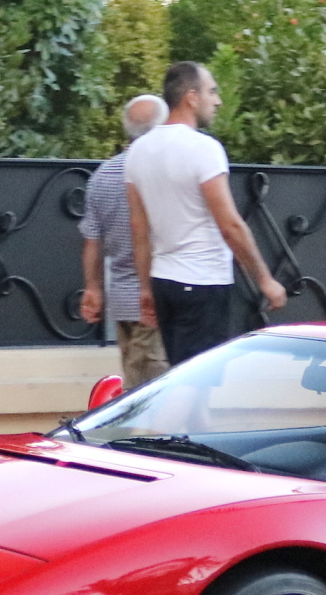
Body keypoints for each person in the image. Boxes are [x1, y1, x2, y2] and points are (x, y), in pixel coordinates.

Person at [124, 61, 288, 365]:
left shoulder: (138, 151)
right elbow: (230, 225)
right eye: (212, 91)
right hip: (202, 282)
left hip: (163, 281)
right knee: (198, 382)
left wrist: (146, 288)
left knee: (179, 376)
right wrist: (265, 279)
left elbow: (138, 227)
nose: (218, 100)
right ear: (191, 97)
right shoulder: (204, 148)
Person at [78, 94, 170, 388]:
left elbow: (92, 240)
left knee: (135, 383)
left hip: (121, 300)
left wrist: (92, 288)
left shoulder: (102, 175)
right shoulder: (160, 173)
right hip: (155, 299)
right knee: (151, 395)